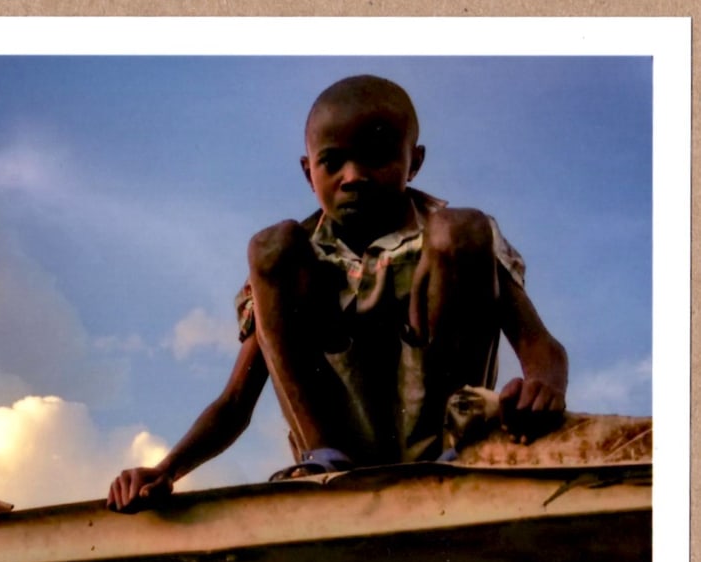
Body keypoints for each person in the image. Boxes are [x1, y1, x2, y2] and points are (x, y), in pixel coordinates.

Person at [108, 74, 567, 512]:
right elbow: (234, 403)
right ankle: (324, 456)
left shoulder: (452, 232)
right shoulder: (294, 261)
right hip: (344, 445)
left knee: (462, 227)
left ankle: (456, 447)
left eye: (377, 157)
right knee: (269, 245)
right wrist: (166, 469)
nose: (353, 176)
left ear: (415, 161)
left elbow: (540, 345)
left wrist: (544, 387)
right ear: (309, 172)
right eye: (333, 162)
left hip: (442, 433)